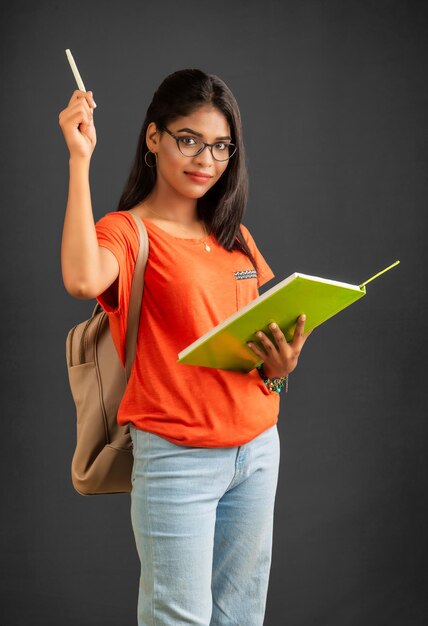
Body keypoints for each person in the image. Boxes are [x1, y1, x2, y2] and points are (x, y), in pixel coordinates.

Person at [59, 68, 312, 626]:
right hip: (178, 458)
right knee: (179, 619)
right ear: (154, 138)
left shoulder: (234, 236)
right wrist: (81, 159)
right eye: (189, 140)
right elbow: (80, 279)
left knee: (241, 618)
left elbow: (248, 350)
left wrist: (279, 368)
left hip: (257, 450)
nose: (206, 160)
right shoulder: (127, 232)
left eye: (221, 146)